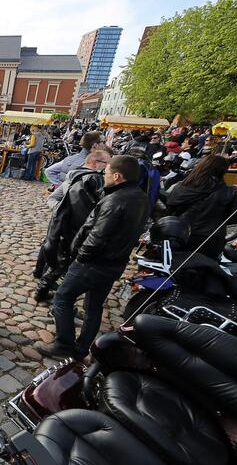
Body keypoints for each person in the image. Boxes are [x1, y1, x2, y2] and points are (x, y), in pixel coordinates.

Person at [36, 156, 148, 359]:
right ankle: (81, 349)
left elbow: (97, 237)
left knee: (62, 298)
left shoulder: (116, 200)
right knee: (94, 306)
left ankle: (64, 345)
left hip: (94, 263)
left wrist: (79, 257)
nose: (103, 176)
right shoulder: (141, 197)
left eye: (106, 173)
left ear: (117, 176)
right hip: (115, 263)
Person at [36, 148, 111, 301]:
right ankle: (58, 299)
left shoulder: (75, 174)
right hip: (76, 227)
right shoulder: (94, 179)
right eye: (107, 163)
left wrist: (60, 213)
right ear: (96, 163)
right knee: (65, 264)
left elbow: (55, 198)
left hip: (64, 225)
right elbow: (100, 206)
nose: (108, 166)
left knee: (57, 262)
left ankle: (43, 290)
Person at [167, 155, 237, 260]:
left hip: (180, 234)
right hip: (210, 239)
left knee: (175, 268)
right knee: (203, 271)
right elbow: (235, 218)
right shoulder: (230, 192)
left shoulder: (181, 186)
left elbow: (170, 208)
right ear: (223, 171)